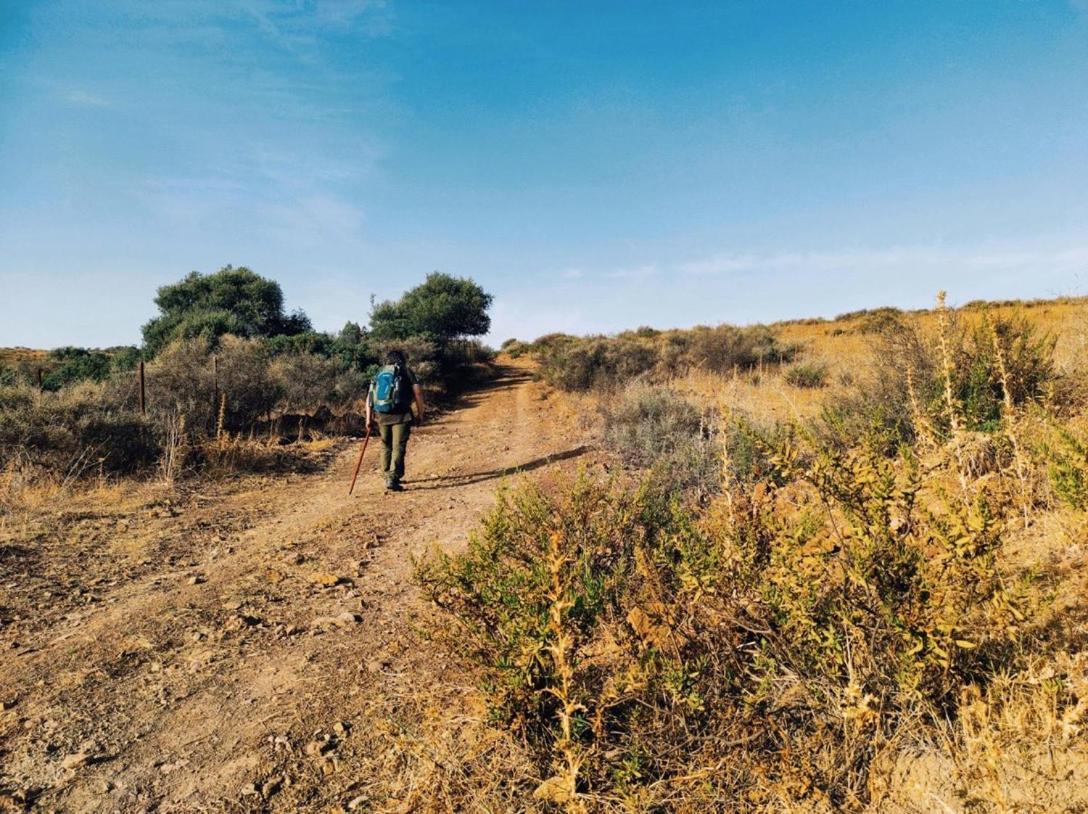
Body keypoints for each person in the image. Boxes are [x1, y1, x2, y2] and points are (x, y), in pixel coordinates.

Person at [364, 350, 425, 492]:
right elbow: (418, 392)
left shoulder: (379, 372)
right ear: (402, 359)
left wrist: (368, 418)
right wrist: (420, 413)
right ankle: (392, 477)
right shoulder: (406, 371)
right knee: (398, 446)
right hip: (402, 415)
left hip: (382, 414)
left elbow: (370, 396)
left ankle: (387, 474)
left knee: (386, 445)